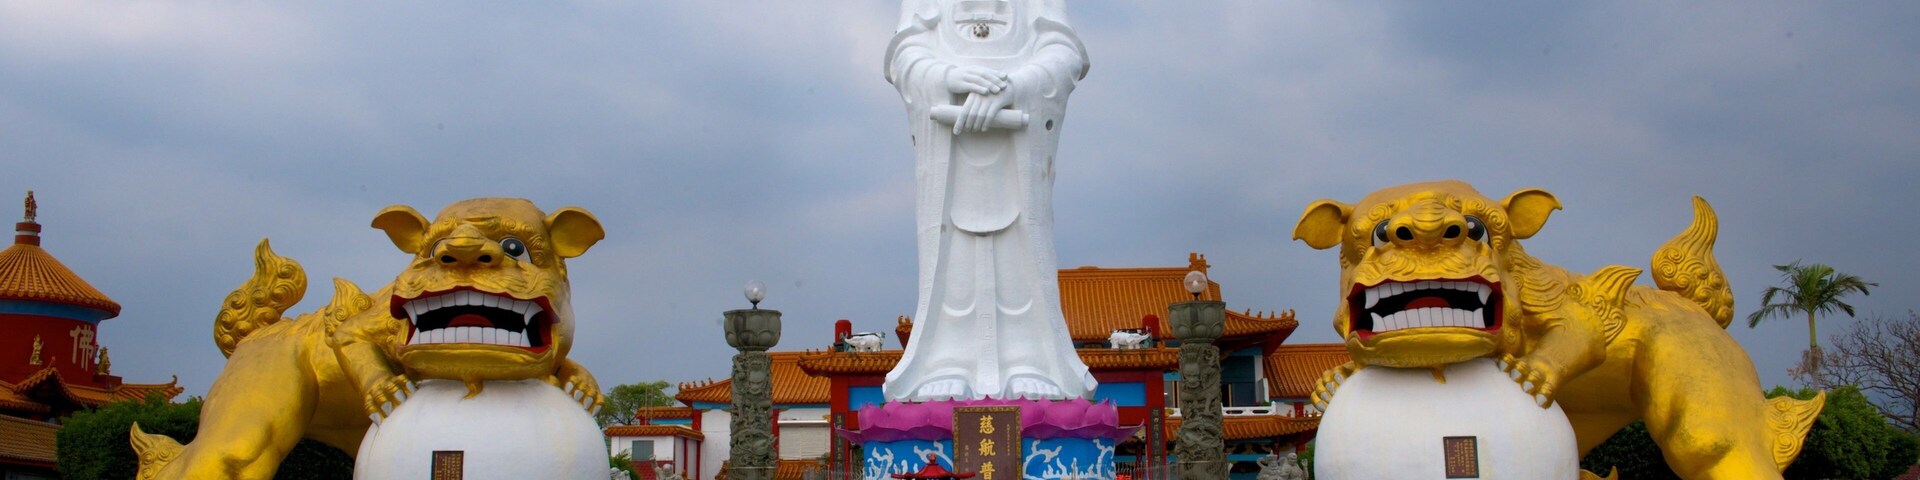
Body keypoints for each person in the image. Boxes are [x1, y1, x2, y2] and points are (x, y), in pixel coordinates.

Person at [882, 0, 1096, 403]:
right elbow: (903, 56)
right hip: (950, 144)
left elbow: (1066, 55)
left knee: (1021, 250)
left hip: (1018, 139)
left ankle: (1029, 359)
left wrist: (1013, 88)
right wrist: (950, 78)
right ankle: (946, 361)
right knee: (950, 253)